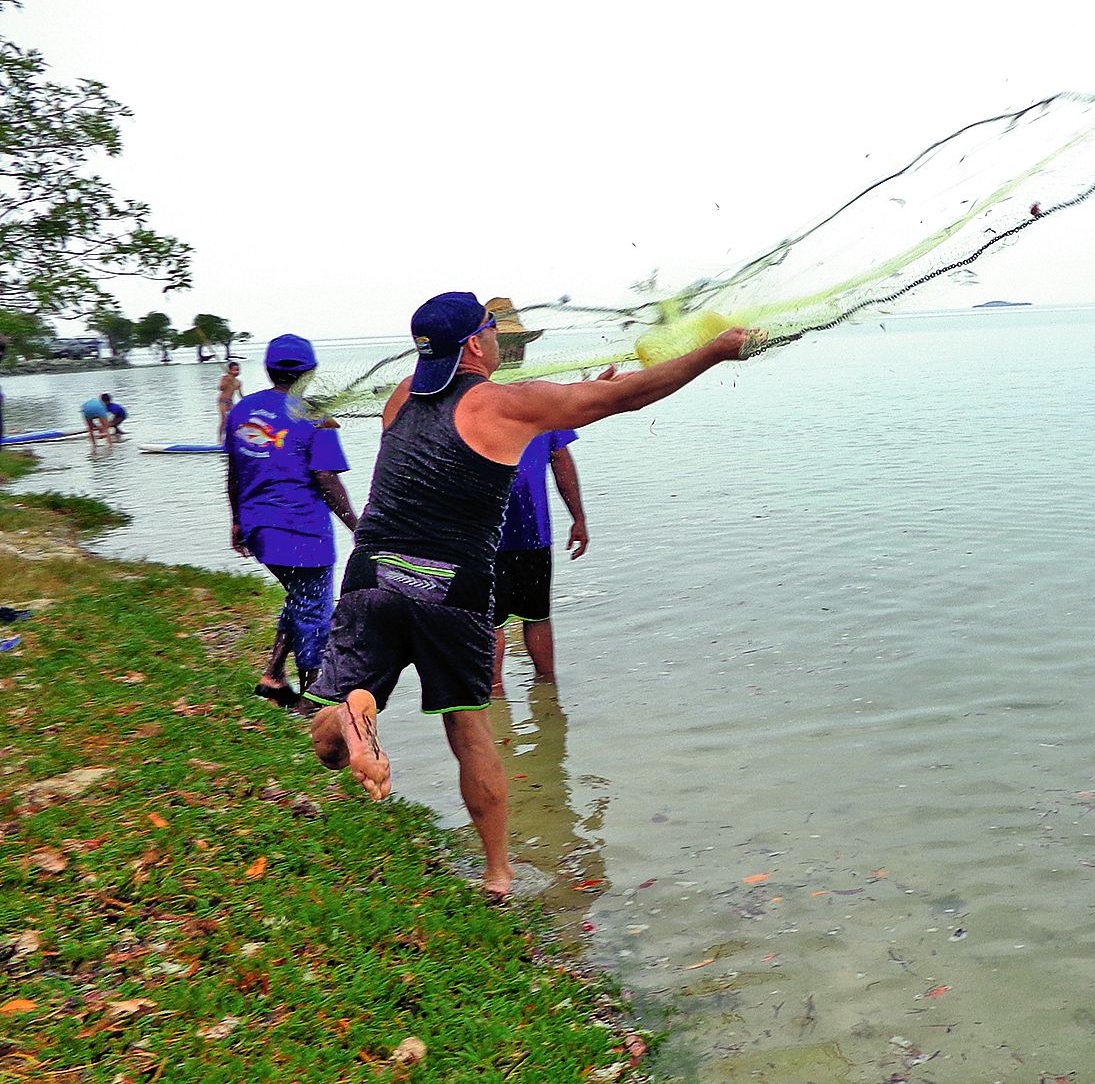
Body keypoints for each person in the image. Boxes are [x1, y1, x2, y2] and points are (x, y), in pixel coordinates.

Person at [301, 291, 750, 898]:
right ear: (477, 343)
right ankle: (498, 875)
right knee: (469, 729)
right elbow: (628, 398)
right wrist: (716, 351)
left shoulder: (401, 396)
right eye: (490, 329)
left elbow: (523, 412)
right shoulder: (504, 405)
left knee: (336, 722)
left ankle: (358, 716)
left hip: (371, 575)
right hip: (450, 586)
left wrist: (578, 394)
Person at [226, 335, 358, 707]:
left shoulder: (242, 412)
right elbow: (327, 480)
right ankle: (314, 698)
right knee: (316, 609)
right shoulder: (314, 415)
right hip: (302, 532)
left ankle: (273, 676)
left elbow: (234, 472)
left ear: (268, 370)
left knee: (302, 597)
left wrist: (237, 521)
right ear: (310, 372)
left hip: (259, 529)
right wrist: (357, 526)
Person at [492, 428, 588, 690]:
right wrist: (578, 519)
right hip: (512, 531)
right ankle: (544, 691)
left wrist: (578, 518)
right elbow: (561, 460)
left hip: (500, 534)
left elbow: (560, 460)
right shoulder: (542, 400)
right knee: (528, 617)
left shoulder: (464, 404)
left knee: (507, 619)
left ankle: (540, 691)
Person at [216, 361, 242, 440]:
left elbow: (240, 394)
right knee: (224, 420)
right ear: (230, 370)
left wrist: (246, 401)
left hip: (230, 402)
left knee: (234, 419)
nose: (237, 372)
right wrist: (228, 382)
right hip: (222, 401)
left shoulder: (238, 382)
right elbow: (220, 388)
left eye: (238, 370)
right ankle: (219, 439)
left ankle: (231, 437)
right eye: (235, 370)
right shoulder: (225, 378)